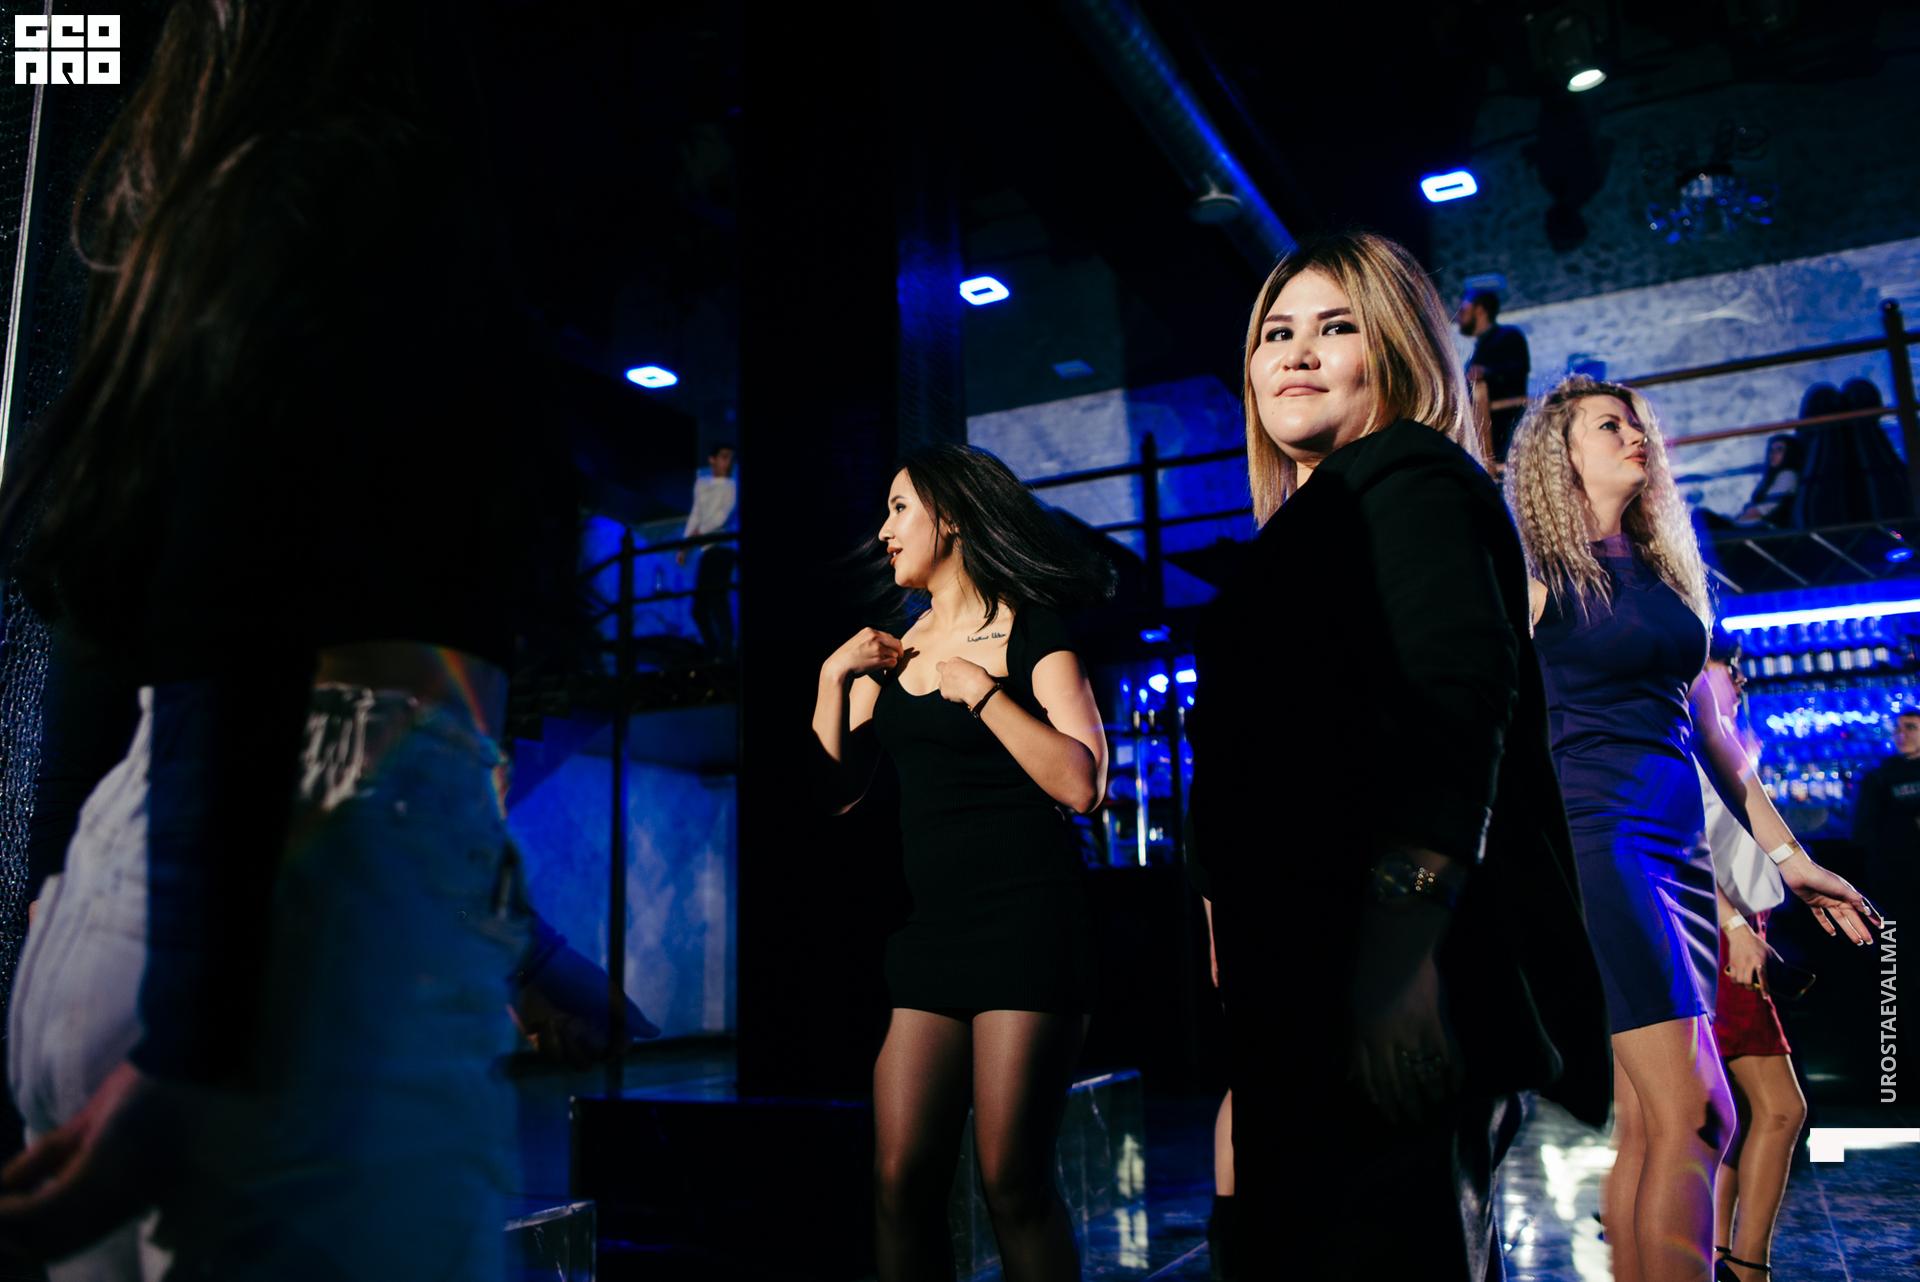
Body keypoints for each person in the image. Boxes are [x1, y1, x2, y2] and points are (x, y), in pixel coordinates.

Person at [0, 2, 578, 1276]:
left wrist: (75, 918)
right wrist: (194, 1040)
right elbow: (232, 602)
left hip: (141, 885)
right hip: (303, 913)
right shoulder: (359, 189)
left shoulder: (195, 240)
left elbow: (131, 622)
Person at [1187, 231, 1611, 1280]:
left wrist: (1398, 952)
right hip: (1309, 983)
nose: (1295, 352)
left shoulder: (1412, 480)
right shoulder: (1322, 516)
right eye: (1275, 333)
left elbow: (1453, 717)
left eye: (1336, 328)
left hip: (1377, 980)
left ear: (1398, 352)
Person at [1504, 375, 1878, 1282]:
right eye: (1610, 425)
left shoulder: (1667, 577)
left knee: (1655, 1122)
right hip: (1601, 844)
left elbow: (1715, 741)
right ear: (1561, 455)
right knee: (1702, 1111)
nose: (1636, 435)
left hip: (1681, 853)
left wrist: (1791, 861)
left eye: (1638, 423)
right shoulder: (1534, 579)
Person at [811, 443, 1114, 1281]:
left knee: (1011, 1181)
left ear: (949, 517)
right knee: (899, 1180)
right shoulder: (894, 652)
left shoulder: (1032, 629)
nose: (883, 531)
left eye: (899, 508)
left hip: (1030, 926)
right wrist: (833, 679)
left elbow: (1082, 783)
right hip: (934, 935)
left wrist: (984, 693)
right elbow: (837, 796)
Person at [1693, 645, 1805, 1282]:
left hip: (1735, 926)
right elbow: (1684, 845)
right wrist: (1735, 926)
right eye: (1720, 669)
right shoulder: (1686, 739)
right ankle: (1747, 1266)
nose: (1732, 681)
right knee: (1780, 1109)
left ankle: (1718, 1256)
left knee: (1728, 1112)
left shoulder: (1724, 745)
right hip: (1716, 931)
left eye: (1734, 673)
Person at [1852, 706, 1920, 929]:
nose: (1902, 735)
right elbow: (1861, 832)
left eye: (1911, 728)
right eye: (1898, 730)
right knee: (1893, 934)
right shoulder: (1878, 776)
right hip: (1892, 874)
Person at [678, 443, 738, 659]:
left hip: (722, 548)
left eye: (730, 458)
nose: (728, 462)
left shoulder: (731, 485)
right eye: (724, 457)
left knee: (716, 602)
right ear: (712, 460)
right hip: (708, 548)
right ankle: (715, 651)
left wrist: (699, 533)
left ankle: (726, 653)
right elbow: (696, 514)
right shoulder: (701, 484)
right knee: (700, 608)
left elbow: (723, 517)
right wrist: (685, 546)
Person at [1457, 289, 1530, 462]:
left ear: (1480, 310)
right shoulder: (1482, 347)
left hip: (1506, 431)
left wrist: (1487, 372)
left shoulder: (1508, 336)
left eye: (1463, 310)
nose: (1459, 316)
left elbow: (1518, 369)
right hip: (1488, 434)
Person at [1730, 435, 1801, 527]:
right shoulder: (1772, 477)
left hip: (1766, 527)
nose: (1773, 454)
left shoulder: (1788, 475)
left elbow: (1765, 508)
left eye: (1779, 450)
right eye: (1771, 450)